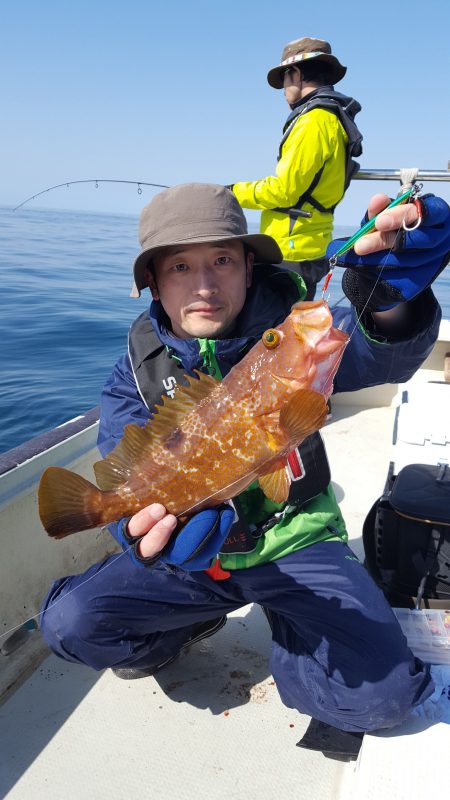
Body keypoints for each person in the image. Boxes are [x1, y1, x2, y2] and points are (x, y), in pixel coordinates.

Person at [40, 183, 450, 748]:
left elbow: (383, 352)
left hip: (298, 542)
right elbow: (125, 477)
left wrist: (387, 299)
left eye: (223, 261)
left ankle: (297, 641)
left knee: (381, 700)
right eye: (180, 266)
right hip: (197, 564)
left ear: (249, 270)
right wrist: (142, 537)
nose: (205, 285)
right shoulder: (132, 378)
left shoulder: (286, 348)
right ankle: (183, 626)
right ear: (154, 284)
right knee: (71, 625)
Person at [230, 36, 363, 299]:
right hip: (306, 247)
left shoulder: (314, 121)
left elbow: (284, 191)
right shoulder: (331, 116)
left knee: (274, 334)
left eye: (284, 81)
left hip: (289, 253)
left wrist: (232, 192)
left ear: (297, 73)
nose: (284, 90)